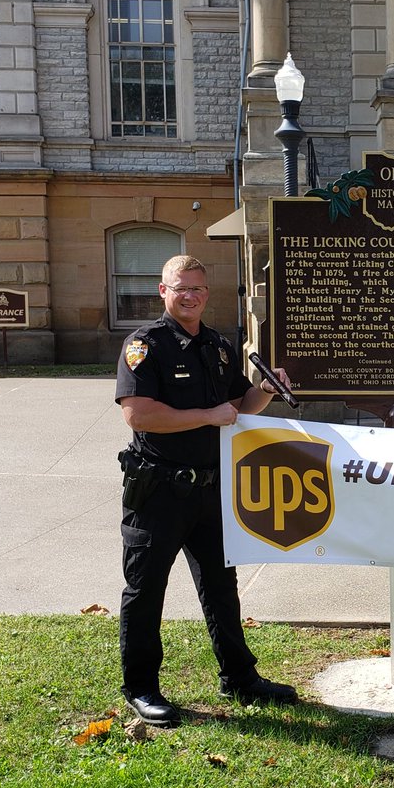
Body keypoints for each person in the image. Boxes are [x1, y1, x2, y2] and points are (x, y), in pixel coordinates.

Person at [115, 254, 298, 727]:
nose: (190, 296)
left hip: (209, 489)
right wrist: (206, 416)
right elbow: (139, 414)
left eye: (198, 288)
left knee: (221, 587)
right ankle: (141, 687)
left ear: (206, 293)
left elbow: (240, 406)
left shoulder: (217, 345)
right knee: (145, 588)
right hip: (157, 491)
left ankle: (239, 677)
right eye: (181, 288)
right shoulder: (145, 345)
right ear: (163, 291)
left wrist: (267, 389)